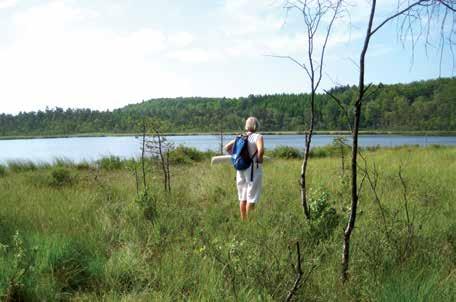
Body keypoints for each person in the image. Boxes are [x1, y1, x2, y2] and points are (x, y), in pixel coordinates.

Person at [224, 117, 264, 220]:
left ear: (246, 125)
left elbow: (226, 148)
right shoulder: (258, 136)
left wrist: (235, 156)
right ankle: (250, 224)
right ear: (256, 125)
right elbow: (261, 150)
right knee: (252, 197)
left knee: (243, 197)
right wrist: (259, 161)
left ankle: (244, 221)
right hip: (252, 169)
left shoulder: (240, 137)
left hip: (240, 168)